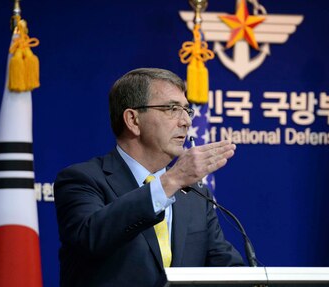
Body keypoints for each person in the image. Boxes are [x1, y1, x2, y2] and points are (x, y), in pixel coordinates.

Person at [54, 68, 244, 287]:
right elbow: (91, 238)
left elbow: (228, 270)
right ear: (133, 120)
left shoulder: (195, 196)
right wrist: (170, 182)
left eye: (186, 110)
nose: (186, 122)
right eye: (172, 108)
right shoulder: (83, 179)